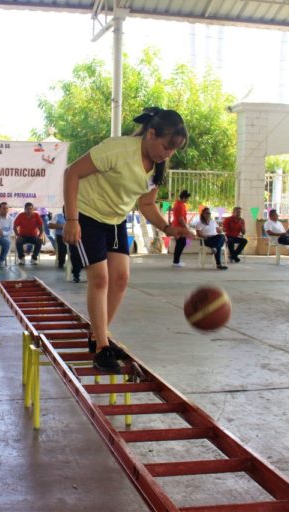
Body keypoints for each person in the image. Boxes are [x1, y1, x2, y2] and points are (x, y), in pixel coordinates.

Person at [63, 107, 189, 373]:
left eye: (173, 150)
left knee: (120, 279)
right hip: (86, 214)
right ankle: (101, 348)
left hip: (115, 219)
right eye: (166, 146)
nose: (168, 153)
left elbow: (146, 204)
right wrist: (72, 220)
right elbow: (71, 173)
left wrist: (168, 227)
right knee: (100, 279)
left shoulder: (157, 166)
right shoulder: (118, 149)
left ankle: (98, 337)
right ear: (151, 134)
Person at [50, 206, 83, 282]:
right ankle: (63, 263)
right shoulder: (58, 216)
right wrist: (62, 226)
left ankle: (79, 267)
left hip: (77, 237)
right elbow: (50, 225)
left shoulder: (79, 216)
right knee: (66, 248)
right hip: (61, 236)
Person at [171, 190, 191, 267]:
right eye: (187, 198)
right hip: (179, 227)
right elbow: (180, 218)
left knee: (180, 243)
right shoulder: (179, 205)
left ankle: (176, 261)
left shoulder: (179, 204)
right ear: (183, 198)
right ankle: (176, 261)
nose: (187, 200)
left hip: (178, 227)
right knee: (181, 243)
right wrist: (186, 227)